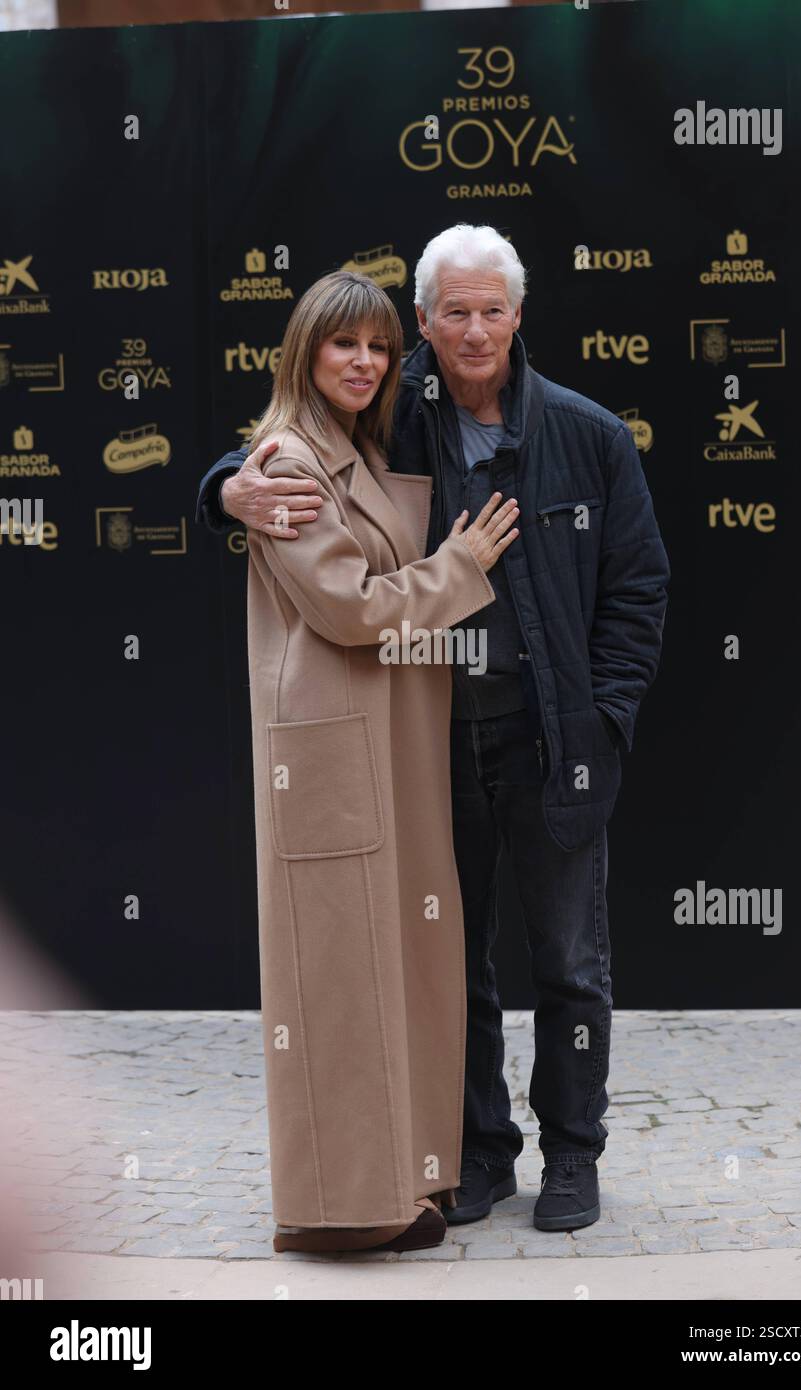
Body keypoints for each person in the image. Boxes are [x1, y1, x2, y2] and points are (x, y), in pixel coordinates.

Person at [196, 224, 670, 1234]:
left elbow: (637, 589)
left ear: (516, 315)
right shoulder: (392, 422)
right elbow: (293, 452)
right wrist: (224, 488)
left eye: (490, 309)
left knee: (569, 966)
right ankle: (476, 1153)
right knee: (448, 963)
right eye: (451, 311)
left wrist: (607, 718)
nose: (473, 329)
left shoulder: (586, 434)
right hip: (430, 746)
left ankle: (573, 1159)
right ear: (422, 322)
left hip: (552, 744)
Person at [227, 268, 519, 1253]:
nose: (363, 361)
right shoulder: (285, 459)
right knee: (340, 979)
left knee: (393, 965)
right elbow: (348, 607)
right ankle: (334, 1207)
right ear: (305, 349)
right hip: (331, 754)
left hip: (383, 746)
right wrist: (460, 567)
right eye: (343, 343)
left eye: (379, 347)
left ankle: (401, 1178)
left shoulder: (346, 446)